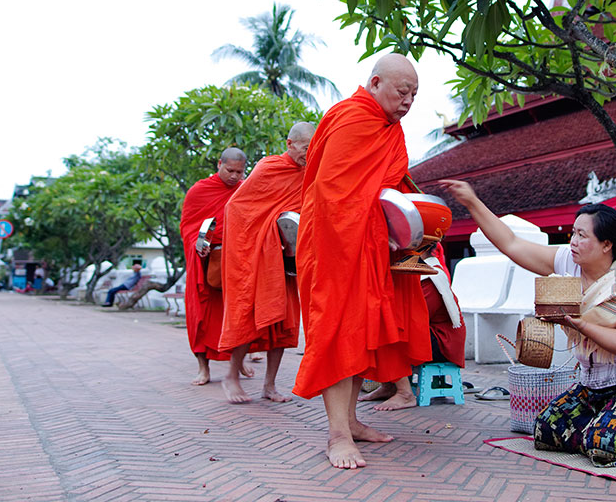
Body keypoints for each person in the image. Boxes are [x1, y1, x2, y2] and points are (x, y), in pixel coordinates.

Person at [439, 179, 616, 468]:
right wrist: (472, 202)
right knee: (546, 430)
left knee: (606, 447)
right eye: (573, 233)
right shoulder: (570, 262)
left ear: (606, 245)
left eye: (582, 236)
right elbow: (512, 243)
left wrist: (579, 324)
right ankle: (610, 424)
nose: (573, 241)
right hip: (596, 385)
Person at [293, 53, 431, 469]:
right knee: (337, 330)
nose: (408, 101)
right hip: (334, 246)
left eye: (415, 94)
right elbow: (334, 193)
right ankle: (336, 434)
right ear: (374, 83)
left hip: (368, 245)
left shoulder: (389, 129)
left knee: (361, 331)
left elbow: (387, 186)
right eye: (402, 91)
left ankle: (351, 421)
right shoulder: (351, 117)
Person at [218, 121, 315, 404]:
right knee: (248, 314)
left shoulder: (309, 173)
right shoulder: (268, 168)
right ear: (290, 144)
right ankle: (231, 376)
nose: (309, 155)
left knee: (284, 321)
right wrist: (265, 236)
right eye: (306, 148)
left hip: (287, 258)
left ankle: (269, 386)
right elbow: (237, 208)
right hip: (257, 255)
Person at [358, 245, 466, 411]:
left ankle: (405, 393)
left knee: (388, 333)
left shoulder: (430, 276)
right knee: (380, 327)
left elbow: (417, 316)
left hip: (442, 341)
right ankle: (389, 386)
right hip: (429, 332)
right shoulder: (421, 270)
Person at [179, 146, 250, 386]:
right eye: (230, 170)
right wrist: (198, 244)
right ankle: (203, 368)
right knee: (201, 315)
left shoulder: (244, 191)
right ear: (219, 164)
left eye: (239, 172)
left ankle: (236, 363)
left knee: (238, 316)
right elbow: (188, 226)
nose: (234, 176)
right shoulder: (200, 191)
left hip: (235, 265)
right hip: (205, 262)